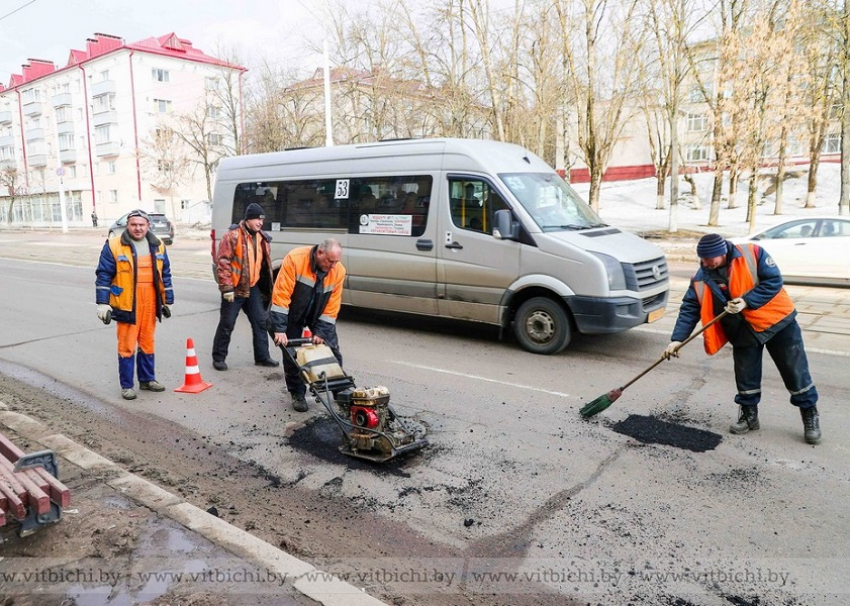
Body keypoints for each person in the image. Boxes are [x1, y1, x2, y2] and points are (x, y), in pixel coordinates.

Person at [662, 233, 821, 444]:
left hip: (777, 322)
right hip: (742, 331)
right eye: (704, 260)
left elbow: (774, 281)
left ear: (724, 252)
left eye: (712, 259)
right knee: (746, 376)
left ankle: (809, 413)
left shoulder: (752, 254)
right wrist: (677, 339)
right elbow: (690, 307)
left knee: (794, 370)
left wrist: (747, 301)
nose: (707, 264)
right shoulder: (701, 277)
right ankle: (749, 415)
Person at [95, 209, 174, 400]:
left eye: (141, 225)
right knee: (127, 345)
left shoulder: (158, 245)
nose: (138, 228)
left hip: (150, 300)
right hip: (127, 302)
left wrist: (166, 300)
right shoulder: (114, 245)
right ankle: (127, 385)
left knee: (147, 342)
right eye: (134, 224)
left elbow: (165, 274)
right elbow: (104, 274)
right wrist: (102, 303)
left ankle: (147, 380)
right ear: (127, 226)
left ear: (148, 226)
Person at [269, 238, 346, 412]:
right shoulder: (295, 259)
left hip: (316, 312)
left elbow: (332, 305)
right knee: (292, 354)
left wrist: (321, 332)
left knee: (331, 348)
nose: (333, 266)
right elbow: (281, 295)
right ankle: (297, 393)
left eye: (336, 261)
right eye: (330, 261)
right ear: (320, 253)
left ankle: (339, 390)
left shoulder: (338, 270)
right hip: (292, 312)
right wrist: (280, 329)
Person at [212, 202, 279, 371]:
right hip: (234, 288)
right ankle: (218, 358)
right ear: (248, 219)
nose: (260, 222)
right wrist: (226, 288)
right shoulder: (233, 236)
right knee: (227, 323)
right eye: (257, 219)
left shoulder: (262, 237)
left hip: (253, 286)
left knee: (260, 321)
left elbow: (263, 264)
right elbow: (223, 262)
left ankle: (262, 357)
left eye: (262, 219)